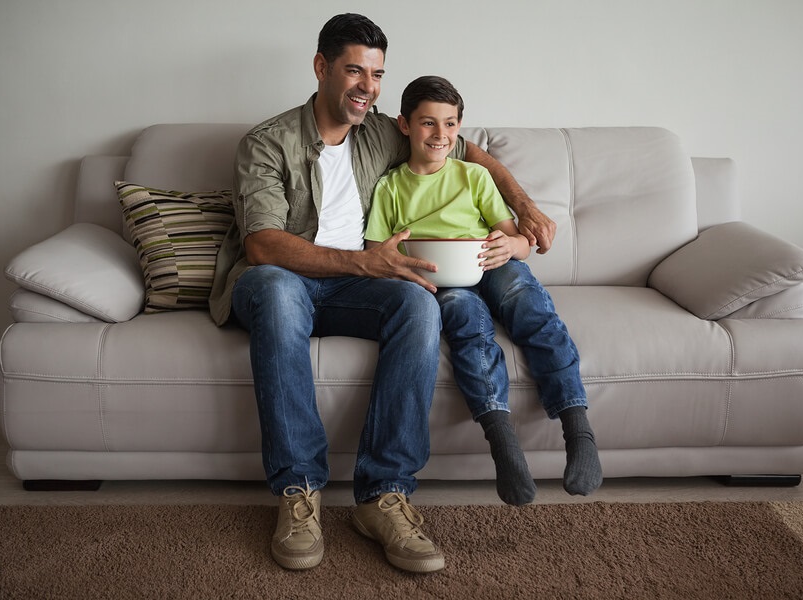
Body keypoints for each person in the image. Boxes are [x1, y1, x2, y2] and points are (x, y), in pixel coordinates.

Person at [209, 15, 557, 573]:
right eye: (354, 70)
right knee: (276, 291)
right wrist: (366, 261)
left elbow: (468, 153)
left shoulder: (378, 131)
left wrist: (525, 207)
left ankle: (383, 495)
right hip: (280, 279)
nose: (367, 86)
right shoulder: (266, 142)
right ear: (321, 68)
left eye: (376, 74)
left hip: (358, 284)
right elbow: (264, 246)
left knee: (419, 301)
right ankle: (299, 491)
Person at [365, 76, 602, 506]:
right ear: (404, 125)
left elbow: (514, 237)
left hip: (492, 262)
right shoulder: (390, 187)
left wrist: (515, 245)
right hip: (443, 277)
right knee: (465, 324)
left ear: (459, 128)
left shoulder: (473, 176)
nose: (440, 135)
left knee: (529, 306)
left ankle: (577, 428)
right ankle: (503, 442)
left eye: (451, 124)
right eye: (428, 124)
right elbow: (375, 253)